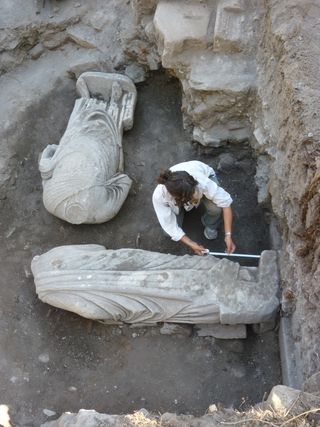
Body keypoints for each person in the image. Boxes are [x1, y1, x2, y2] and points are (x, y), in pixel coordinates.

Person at [152, 160, 236, 256]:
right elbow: (169, 226)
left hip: (206, 177)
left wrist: (228, 235)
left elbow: (225, 203)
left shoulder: (201, 181)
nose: (193, 197)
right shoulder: (159, 196)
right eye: (189, 198)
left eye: (194, 193)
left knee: (215, 209)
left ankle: (210, 224)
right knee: (168, 232)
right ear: (178, 197)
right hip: (179, 199)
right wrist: (191, 244)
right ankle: (182, 210)